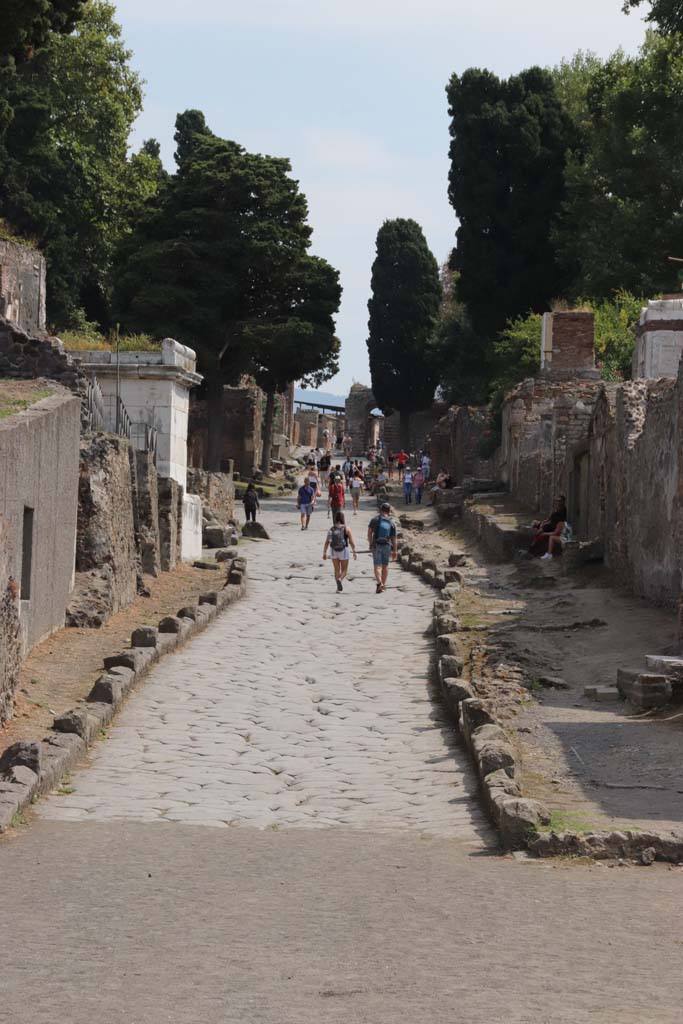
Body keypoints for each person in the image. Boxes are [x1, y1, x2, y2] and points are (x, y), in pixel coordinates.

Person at [323, 511, 357, 592]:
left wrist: (324, 552)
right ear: (343, 519)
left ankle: (338, 587)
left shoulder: (331, 529)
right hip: (343, 550)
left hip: (333, 550)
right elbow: (351, 542)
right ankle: (340, 580)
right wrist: (354, 552)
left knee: (336, 569)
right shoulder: (347, 528)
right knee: (344, 570)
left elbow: (327, 542)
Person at [368, 501, 398, 594]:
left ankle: (379, 583)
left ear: (380, 510)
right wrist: (395, 551)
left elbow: (369, 532)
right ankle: (383, 585)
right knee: (385, 566)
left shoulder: (375, 520)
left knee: (377, 566)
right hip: (387, 545)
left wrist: (370, 543)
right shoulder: (392, 522)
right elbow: (394, 538)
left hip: (377, 544)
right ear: (389, 511)